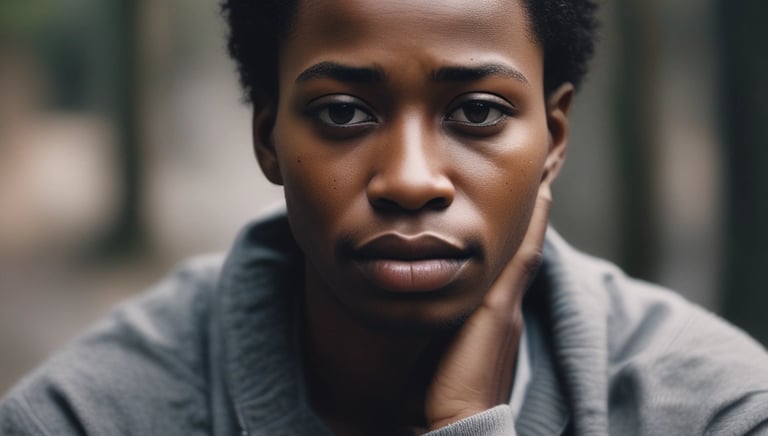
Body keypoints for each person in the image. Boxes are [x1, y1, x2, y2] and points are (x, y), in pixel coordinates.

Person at [2, 0, 767, 435]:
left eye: (476, 112)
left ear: (553, 140)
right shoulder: (89, 418)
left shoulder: (714, 413)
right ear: (267, 136)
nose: (409, 180)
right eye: (343, 112)